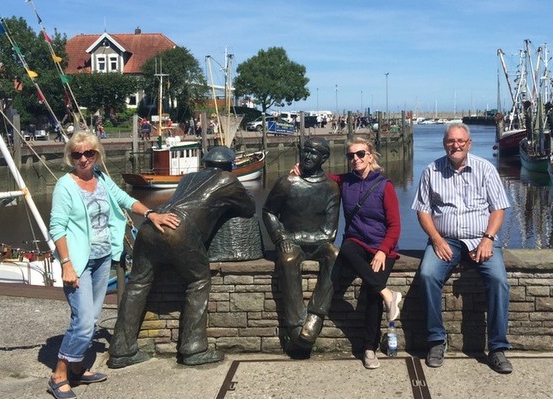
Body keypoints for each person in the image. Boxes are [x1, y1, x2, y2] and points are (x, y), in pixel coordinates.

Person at [48, 130, 178, 399]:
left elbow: (125, 200)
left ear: (97, 155)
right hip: (78, 262)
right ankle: (59, 374)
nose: (83, 159)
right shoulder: (65, 186)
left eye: (88, 153)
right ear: (70, 157)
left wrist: (152, 214)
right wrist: (66, 265)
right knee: (82, 322)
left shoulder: (102, 180)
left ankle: (76, 367)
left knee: (92, 318)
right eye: (77, 154)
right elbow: (57, 228)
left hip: (102, 257)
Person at [109, 146, 255, 368]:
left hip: (151, 225)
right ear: (229, 165)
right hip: (178, 230)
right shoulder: (227, 179)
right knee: (199, 280)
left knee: (137, 284)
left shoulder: (189, 177)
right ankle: (193, 348)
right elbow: (249, 208)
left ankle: (121, 350)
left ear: (204, 164)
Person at [412, 123, 513, 374]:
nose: (455, 145)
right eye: (450, 141)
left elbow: (498, 209)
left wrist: (488, 238)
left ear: (469, 143)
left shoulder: (485, 169)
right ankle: (436, 340)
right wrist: (436, 238)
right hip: (445, 239)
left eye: (460, 141)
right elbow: (423, 211)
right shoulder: (431, 170)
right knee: (426, 276)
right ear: (444, 143)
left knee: (499, 281)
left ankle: (498, 348)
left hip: (481, 238)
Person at [329, 137, 402, 369]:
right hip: (357, 243)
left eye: (360, 154)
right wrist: (299, 171)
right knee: (348, 247)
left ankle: (368, 348)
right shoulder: (345, 181)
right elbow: (321, 179)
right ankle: (389, 295)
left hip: (382, 246)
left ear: (371, 156)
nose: (355, 159)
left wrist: (382, 251)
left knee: (371, 293)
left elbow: (395, 226)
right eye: (350, 155)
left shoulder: (384, 185)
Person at [263, 137, 340, 353]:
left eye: (313, 153)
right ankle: (296, 324)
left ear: (324, 158)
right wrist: (281, 237)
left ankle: (316, 314)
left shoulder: (331, 188)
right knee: (288, 260)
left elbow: (329, 232)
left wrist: (295, 236)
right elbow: (268, 211)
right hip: (290, 242)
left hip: (317, 241)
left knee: (334, 255)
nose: (307, 156)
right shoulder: (286, 183)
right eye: (305, 151)